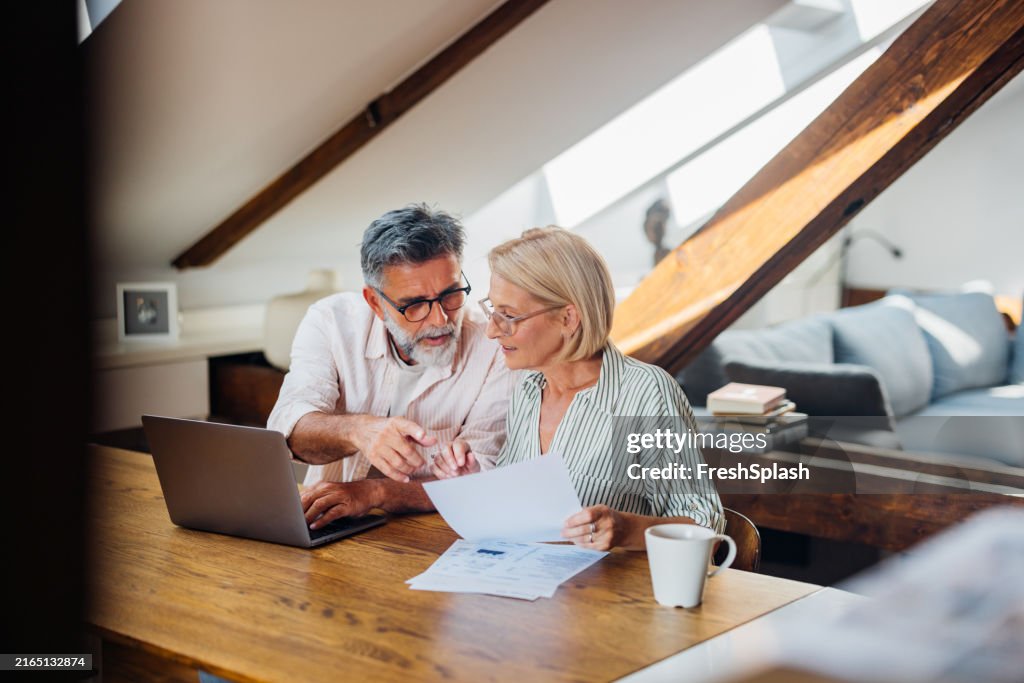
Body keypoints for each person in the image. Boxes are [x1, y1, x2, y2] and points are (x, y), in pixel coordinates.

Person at [432, 227, 723, 550]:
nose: (492, 331)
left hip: (617, 596)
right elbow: (522, 515)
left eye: (509, 315)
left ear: (568, 318)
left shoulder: (646, 393)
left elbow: (705, 527)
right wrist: (473, 481)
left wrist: (625, 529)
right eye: (493, 310)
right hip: (532, 589)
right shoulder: (527, 389)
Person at [267, 204, 511, 529]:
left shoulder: (495, 346)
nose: (440, 320)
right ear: (375, 303)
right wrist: (360, 431)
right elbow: (289, 430)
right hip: (328, 529)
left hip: (440, 532)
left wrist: (377, 492)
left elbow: (483, 477)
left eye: (451, 295)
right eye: (415, 305)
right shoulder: (331, 322)